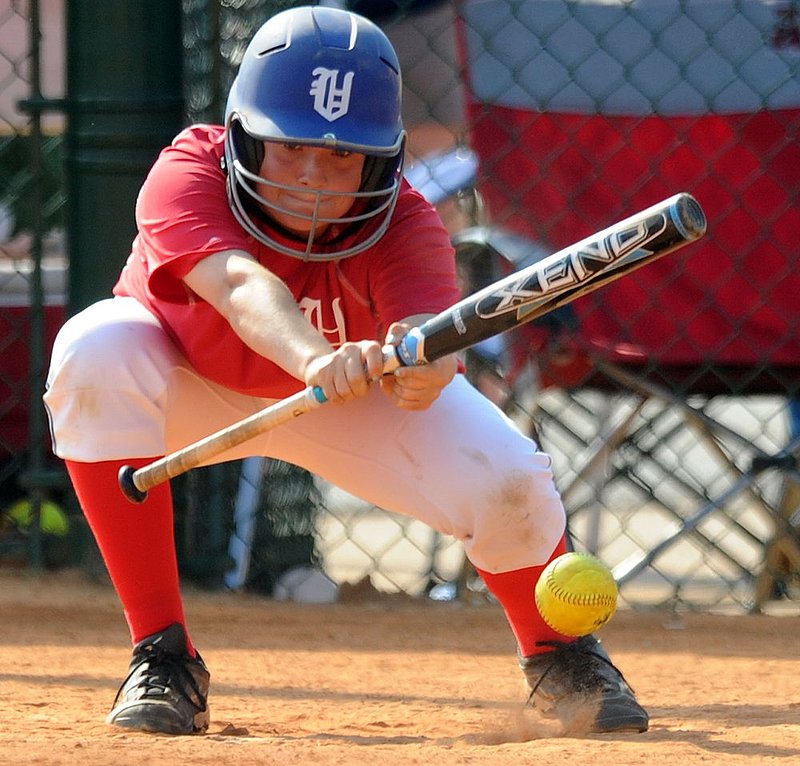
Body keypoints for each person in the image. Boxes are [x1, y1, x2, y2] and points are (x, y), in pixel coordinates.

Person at [43, 6, 648, 737]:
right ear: (243, 137)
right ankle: (164, 655)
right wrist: (313, 358)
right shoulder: (187, 170)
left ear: (382, 159)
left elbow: (430, 340)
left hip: (341, 401)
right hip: (185, 382)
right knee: (94, 350)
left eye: (343, 156)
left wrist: (425, 370)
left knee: (510, 476)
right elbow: (238, 285)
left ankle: (562, 656)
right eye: (290, 147)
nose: (315, 179)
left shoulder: (407, 221)